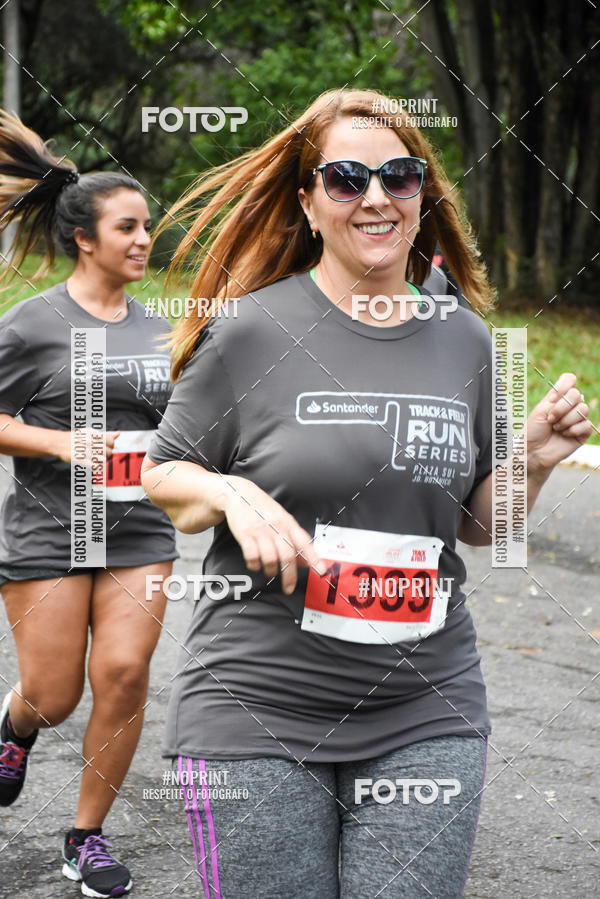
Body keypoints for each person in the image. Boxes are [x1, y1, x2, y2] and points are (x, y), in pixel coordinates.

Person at [141, 88, 592, 898]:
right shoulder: (249, 331)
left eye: (400, 176)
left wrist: (536, 457)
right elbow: (164, 473)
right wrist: (231, 492)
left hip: (427, 707)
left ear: (424, 196)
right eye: (346, 178)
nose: (376, 196)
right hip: (258, 710)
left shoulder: (466, 339)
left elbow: (478, 526)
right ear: (310, 203)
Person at [0, 110, 177, 898]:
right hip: (47, 527)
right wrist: (59, 444)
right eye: (129, 228)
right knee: (54, 691)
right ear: (85, 237)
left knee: (126, 672)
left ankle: (86, 838)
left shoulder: (161, 327)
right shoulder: (33, 324)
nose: (144, 241)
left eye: (148, 228)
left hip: (141, 525)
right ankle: (14, 728)